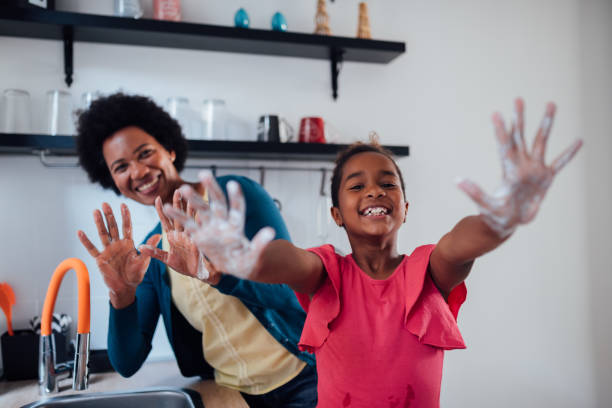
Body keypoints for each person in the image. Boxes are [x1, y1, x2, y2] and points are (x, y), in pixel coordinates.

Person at [163, 98, 583, 407]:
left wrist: (502, 219)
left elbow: (461, 243)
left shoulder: (427, 270)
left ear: (405, 206)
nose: (374, 190)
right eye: (357, 185)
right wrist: (246, 259)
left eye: (388, 182)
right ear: (337, 213)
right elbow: (287, 261)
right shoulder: (326, 272)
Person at [74, 93, 317, 408]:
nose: (137, 172)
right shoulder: (154, 251)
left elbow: (291, 294)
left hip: (303, 380)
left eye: (145, 153)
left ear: (170, 150)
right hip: (233, 396)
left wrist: (222, 276)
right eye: (121, 167)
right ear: (113, 181)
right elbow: (128, 363)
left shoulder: (235, 198)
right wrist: (122, 297)